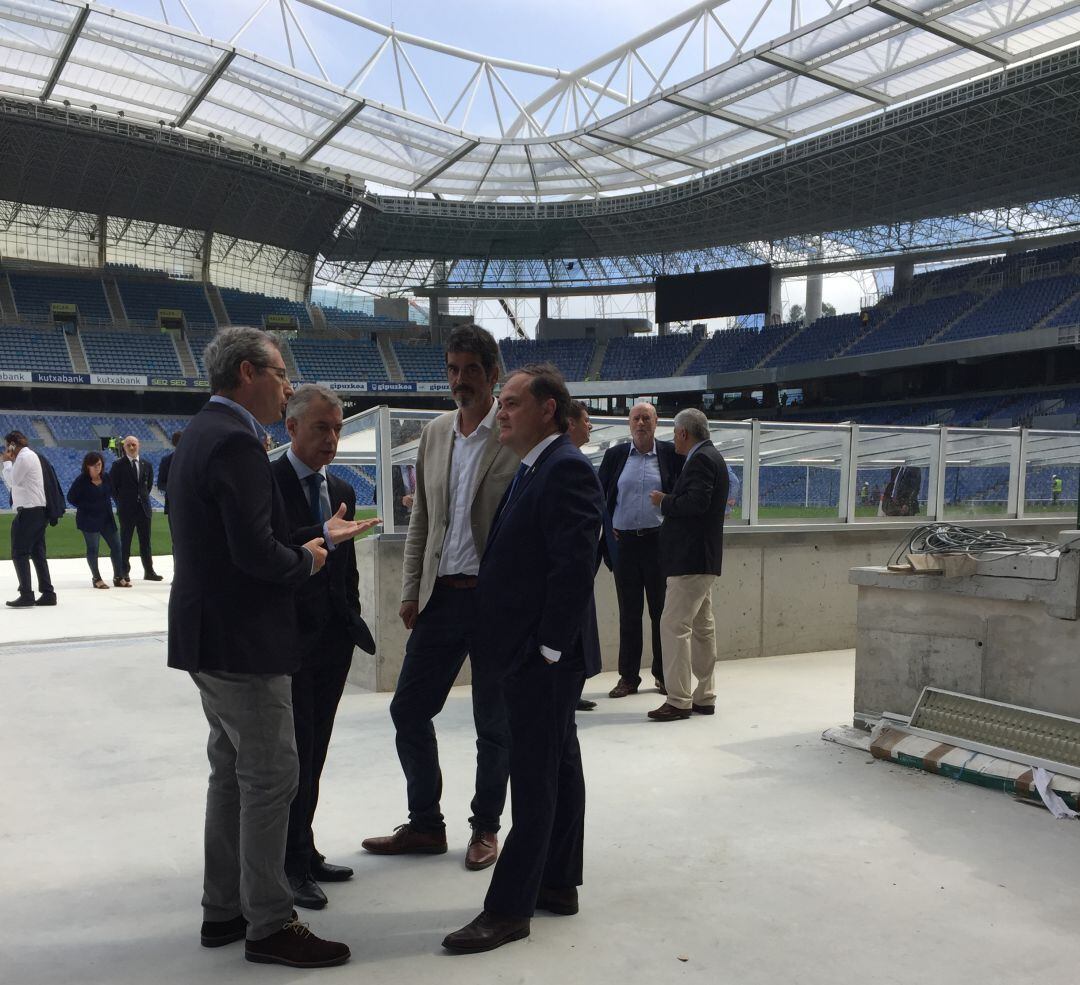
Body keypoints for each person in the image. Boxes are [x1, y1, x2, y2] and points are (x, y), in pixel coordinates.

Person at [167, 326, 350, 969]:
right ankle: (270, 922)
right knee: (271, 776)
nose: (287, 385)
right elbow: (253, 551)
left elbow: (228, 539)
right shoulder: (239, 441)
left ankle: (225, 909)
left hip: (207, 636)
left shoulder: (200, 434)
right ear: (248, 372)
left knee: (231, 775)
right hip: (244, 640)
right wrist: (306, 559)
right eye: (280, 373)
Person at [442, 363, 604, 954]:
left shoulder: (566, 469)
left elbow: (573, 567)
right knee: (559, 768)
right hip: (533, 655)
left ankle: (509, 909)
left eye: (511, 403)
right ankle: (558, 883)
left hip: (543, 660)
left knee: (533, 783)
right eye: (501, 403)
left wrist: (547, 650)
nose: (500, 412)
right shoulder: (536, 466)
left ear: (548, 410)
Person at [362, 325, 514, 871]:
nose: (459, 381)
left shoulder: (513, 433)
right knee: (408, 709)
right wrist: (409, 590)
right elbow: (420, 521)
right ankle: (426, 823)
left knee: (493, 724)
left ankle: (486, 828)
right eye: (452, 369)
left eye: (470, 370)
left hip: (495, 604)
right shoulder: (435, 434)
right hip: (441, 597)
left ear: (493, 374)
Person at [272, 384, 380, 910]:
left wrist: (350, 616)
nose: (332, 438)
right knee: (294, 756)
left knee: (316, 754)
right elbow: (268, 545)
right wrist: (322, 533)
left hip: (331, 641)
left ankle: (305, 850)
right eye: (321, 427)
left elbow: (345, 563)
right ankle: (288, 863)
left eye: (337, 428)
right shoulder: (267, 482)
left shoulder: (341, 486)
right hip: (288, 642)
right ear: (290, 428)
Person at [647, 408, 728, 722]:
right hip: (702, 559)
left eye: (674, 433)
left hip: (690, 560)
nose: (673, 439)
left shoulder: (702, 459)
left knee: (673, 626)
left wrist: (664, 501)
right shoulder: (711, 456)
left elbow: (696, 503)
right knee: (702, 628)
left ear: (683, 433)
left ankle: (679, 699)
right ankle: (704, 696)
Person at [597, 402, 683, 698]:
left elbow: (681, 494)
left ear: (656, 422)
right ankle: (628, 678)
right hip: (626, 546)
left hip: (658, 543)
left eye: (646, 418)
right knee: (629, 613)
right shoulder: (616, 455)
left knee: (662, 613)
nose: (641, 423)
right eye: (636, 418)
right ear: (629, 423)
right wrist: (609, 531)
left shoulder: (671, 455)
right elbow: (599, 496)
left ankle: (662, 675)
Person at [566, 399, 597, 713]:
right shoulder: (570, 462)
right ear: (571, 423)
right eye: (586, 420)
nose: (590, 425)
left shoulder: (573, 459)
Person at [2, 430, 55, 608]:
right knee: (37, 553)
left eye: (6, 446)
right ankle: (48, 593)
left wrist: (7, 463)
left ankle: (26, 594)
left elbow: (12, 481)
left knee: (19, 551)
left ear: (11, 445)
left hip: (29, 511)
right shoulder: (30, 456)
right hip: (37, 511)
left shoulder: (23, 458)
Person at [66, 451, 126, 589]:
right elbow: (71, 498)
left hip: (107, 518)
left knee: (117, 546)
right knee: (93, 549)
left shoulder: (106, 477)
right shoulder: (81, 480)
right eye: (94, 465)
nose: (97, 468)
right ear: (87, 466)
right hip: (89, 519)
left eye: (99, 464)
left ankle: (118, 576)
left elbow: (113, 493)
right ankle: (97, 578)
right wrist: (87, 506)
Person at [109, 435, 163, 581]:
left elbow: (148, 485)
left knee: (146, 542)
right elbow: (113, 487)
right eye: (129, 445)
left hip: (144, 509)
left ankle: (149, 571)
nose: (132, 447)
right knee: (125, 541)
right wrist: (121, 502)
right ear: (124, 447)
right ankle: (124, 571)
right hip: (127, 510)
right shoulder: (118, 465)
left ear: (139, 445)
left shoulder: (147, 464)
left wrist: (141, 499)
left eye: (134, 444)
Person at [157, 431, 182, 516]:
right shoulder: (166, 461)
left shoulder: (194, 460)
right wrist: (174, 489)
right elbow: (160, 483)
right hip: (173, 505)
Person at [391, 462, 416, 528]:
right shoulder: (389, 469)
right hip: (399, 522)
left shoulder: (424, 466)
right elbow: (378, 497)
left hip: (422, 518)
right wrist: (401, 500)